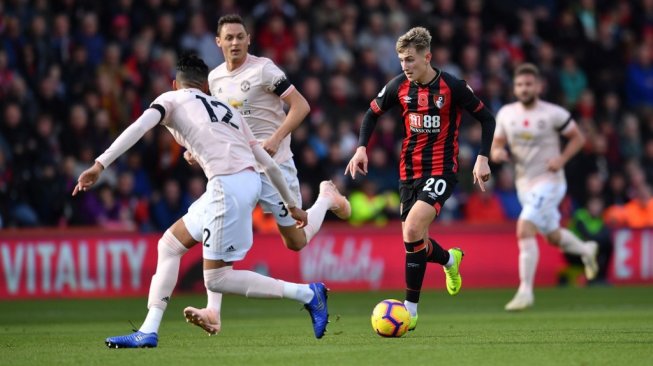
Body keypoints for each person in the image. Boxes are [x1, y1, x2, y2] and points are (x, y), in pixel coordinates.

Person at [73, 54, 329, 348]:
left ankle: (309, 294)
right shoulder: (226, 109)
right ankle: (148, 329)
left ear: (174, 83)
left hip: (227, 186)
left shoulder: (171, 99)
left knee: (217, 279)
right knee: (169, 245)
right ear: (205, 86)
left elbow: (139, 128)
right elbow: (268, 165)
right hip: (243, 182)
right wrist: (291, 203)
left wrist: (99, 165)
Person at [182, 14, 350, 335]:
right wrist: (198, 148)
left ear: (249, 39)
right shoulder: (215, 79)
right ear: (218, 42)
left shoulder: (264, 70)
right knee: (216, 229)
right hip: (237, 168)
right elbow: (221, 123)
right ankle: (213, 311)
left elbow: (300, 106)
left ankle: (325, 199)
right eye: (228, 38)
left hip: (275, 165)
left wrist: (274, 139)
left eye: (239, 37)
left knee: (296, 242)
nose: (234, 43)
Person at [345, 27, 496, 331]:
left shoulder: (452, 87)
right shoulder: (399, 86)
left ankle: (410, 310)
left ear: (428, 57)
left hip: (442, 169)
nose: (405, 66)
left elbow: (487, 117)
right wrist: (361, 147)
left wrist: (482, 157)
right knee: (414, 242)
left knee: (413, 228)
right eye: (401, 60)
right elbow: (371, 114)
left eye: (411, 60)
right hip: (408, 172)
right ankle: (450, 261)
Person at [490, 63, 599, 311]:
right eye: (520, 84)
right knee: (552, 236)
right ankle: (586, 249)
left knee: (524, 228)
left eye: (529, 84)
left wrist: (561, 159)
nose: (524, 88)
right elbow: (496, 145)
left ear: (539, 86)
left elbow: (578, 138)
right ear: (514, 88)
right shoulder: (507, 114)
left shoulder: (553, 113)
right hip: (524, 184)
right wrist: (497, 154)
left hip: (550, 182)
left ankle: (525, 291)